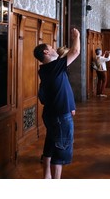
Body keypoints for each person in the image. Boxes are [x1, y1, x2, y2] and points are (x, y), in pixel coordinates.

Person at [33, 28, 80, 179]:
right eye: (51, 47)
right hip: (60, 116)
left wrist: (71, 106)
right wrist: (77, 37)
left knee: (51, 144)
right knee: (60, 152)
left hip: (52, 113)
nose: (54, 49)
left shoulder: (47, 69)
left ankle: (47, 177)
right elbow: (76, 51)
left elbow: (63, 88)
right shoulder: (53, 67)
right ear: (46, 52)